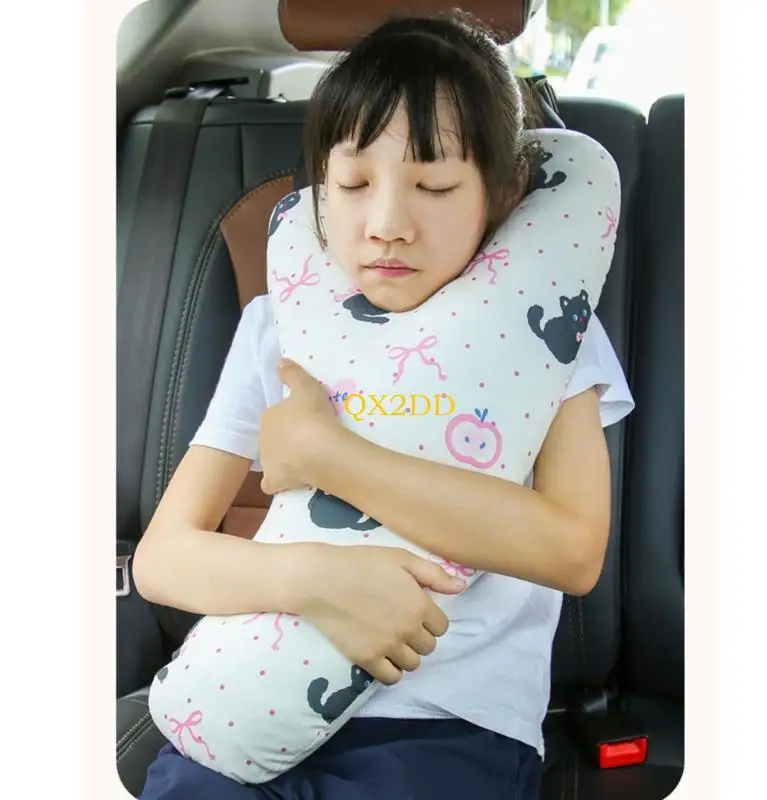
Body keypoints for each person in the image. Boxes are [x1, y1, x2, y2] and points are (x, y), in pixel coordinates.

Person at [132, 10, 634, 800]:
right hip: (249, 697)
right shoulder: (282, 325)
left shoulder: (547, 329)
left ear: (502, 194)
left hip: (445, 727)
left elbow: (573, 552)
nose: (388, 226)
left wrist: (328, 456)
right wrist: (317, 579)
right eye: (354, 185)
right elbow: (162, 561)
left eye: (434, 187)